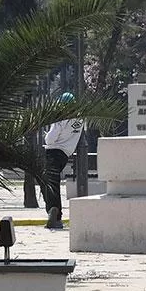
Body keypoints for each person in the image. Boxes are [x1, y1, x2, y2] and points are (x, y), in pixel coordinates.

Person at [41, 92, 83, 230]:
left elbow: (50, 139)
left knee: (50, 183)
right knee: (51, 181)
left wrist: (47, 135)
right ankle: (53, 212)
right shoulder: (80, 119)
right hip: (65, 154)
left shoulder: (60, 117)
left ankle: (54, 213)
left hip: (53, 151)